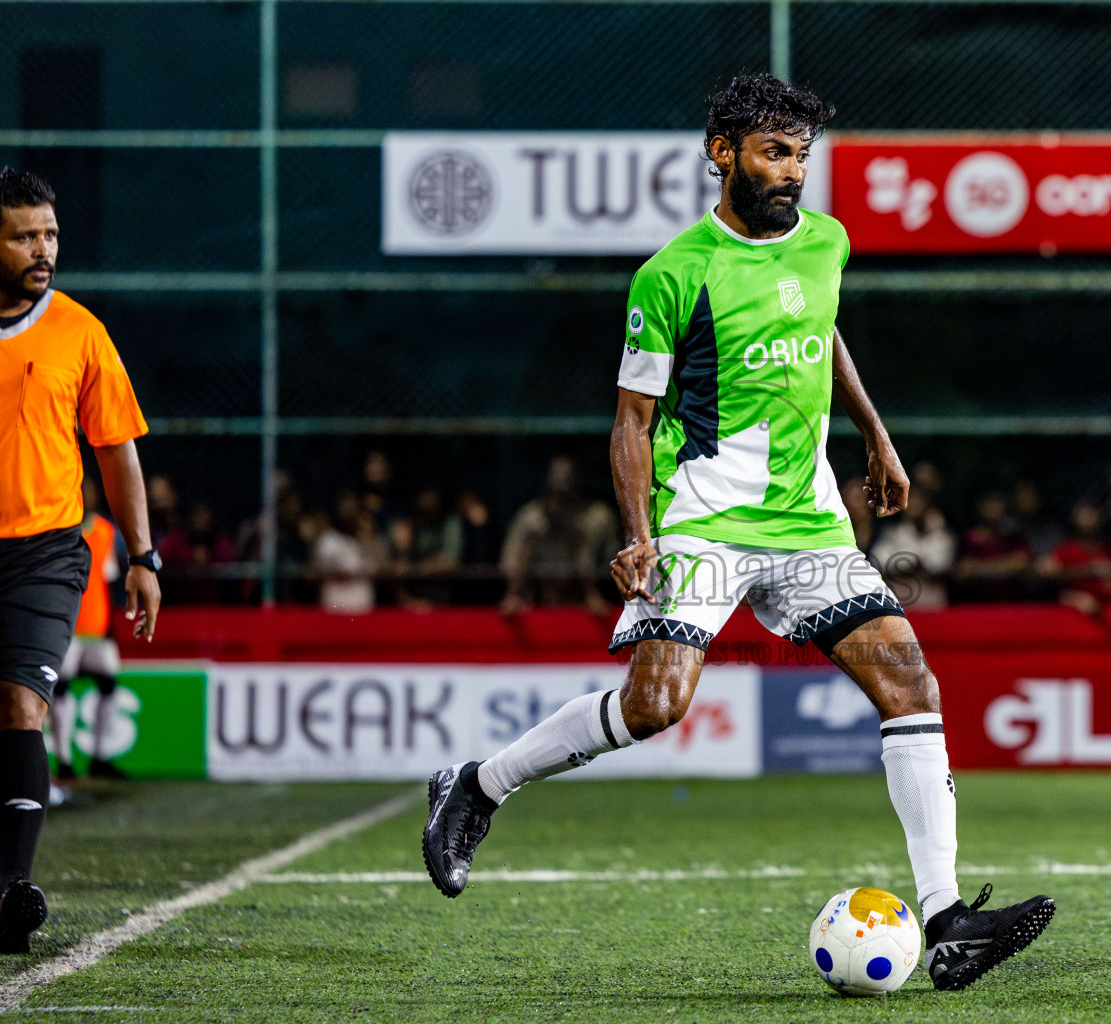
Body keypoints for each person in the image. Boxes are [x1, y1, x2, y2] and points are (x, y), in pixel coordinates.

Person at [422, 75, 1052, 991]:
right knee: (657, 705)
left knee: (909, 679)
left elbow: (824, 331)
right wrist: (638, 533)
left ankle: (947, 918)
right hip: (704, 515)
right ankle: (478, 785)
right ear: (722, 153)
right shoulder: (675, 273)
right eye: (773, 153)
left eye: (802, 155)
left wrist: (877, 436)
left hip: (805, 518)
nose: (793, 173)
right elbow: (632, 419)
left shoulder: (826, 242)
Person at [0, 168, 160, 952]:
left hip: (46, 551)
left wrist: (143, 555)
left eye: (50, 234)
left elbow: (117, 452)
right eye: (24, 235)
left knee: (22, 705)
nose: (43, 249)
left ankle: (10, 890)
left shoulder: (80, 331)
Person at [50, 478, 128, 783]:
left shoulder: (106, 532)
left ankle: (99, 756)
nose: (86, 495)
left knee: (108, 684)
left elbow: (109, 580)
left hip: (97, 627)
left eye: (90, 490)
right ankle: (65, 761)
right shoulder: (58, 528)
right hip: (66, 626)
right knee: (62, 689)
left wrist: (112, 626)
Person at [498, 456, 616, 616]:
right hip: (535, 604)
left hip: (580, 607)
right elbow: (510, 564)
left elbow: (610, 565)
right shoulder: (530, 520)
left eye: (568, 478)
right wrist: (515, 594)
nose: (561, 486)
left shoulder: (598, 518)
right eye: (556, 478)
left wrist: (592, 593)